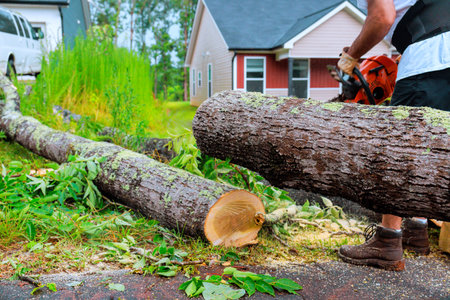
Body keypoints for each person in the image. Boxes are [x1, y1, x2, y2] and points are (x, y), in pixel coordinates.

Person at [336, 0, 450, 271]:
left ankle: (388, 240)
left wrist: (351, 56)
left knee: (399, 149)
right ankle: (417, 229)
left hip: (430, 58)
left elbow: (382, 17)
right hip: (437, 53)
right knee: (432, 149)